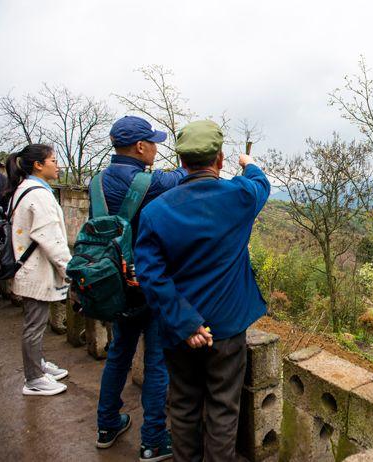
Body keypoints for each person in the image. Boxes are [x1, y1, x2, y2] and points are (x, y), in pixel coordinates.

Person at [135, 120, 270, 462]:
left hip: (179, 333)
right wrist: (249, 164)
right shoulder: (239, 197)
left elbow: (151, 276)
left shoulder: (155, 211)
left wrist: (186, 323)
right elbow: (260, 182)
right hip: (227, 328)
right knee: (224, 410)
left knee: (182, 407)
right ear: (220, 160)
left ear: (181, 162)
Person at [94, 116, 186, 461]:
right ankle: (152, 440)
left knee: (118, 354)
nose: (157, 147)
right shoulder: (151, 182)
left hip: (115, 286)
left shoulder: (96, 182)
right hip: (149, 283)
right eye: (154, 142)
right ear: (141, 147)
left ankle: (106, 425)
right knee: (157, 360)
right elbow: (184, 173)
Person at [4, 144, 71, 396]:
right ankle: (33, 378)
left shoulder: (28, 189)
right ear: (38, 165)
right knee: (34, 325)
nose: (58, 165)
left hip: (31, 268)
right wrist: (69, 269)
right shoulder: (38, 195)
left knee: (37, 323)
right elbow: (50, 237)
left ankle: (38, 365)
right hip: (34, 270)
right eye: (53, 160)